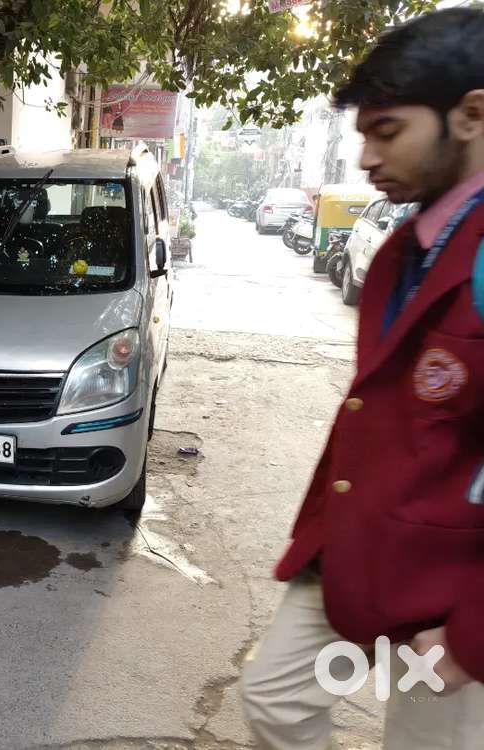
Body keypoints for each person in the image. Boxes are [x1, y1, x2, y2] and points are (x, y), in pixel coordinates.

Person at [241, 8, 484, 749]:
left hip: (450, 588)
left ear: (471, 115)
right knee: (275, 694)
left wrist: (473, 634)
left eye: (388, 132)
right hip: (354, 553)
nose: (367, 159)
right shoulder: (400, 250)